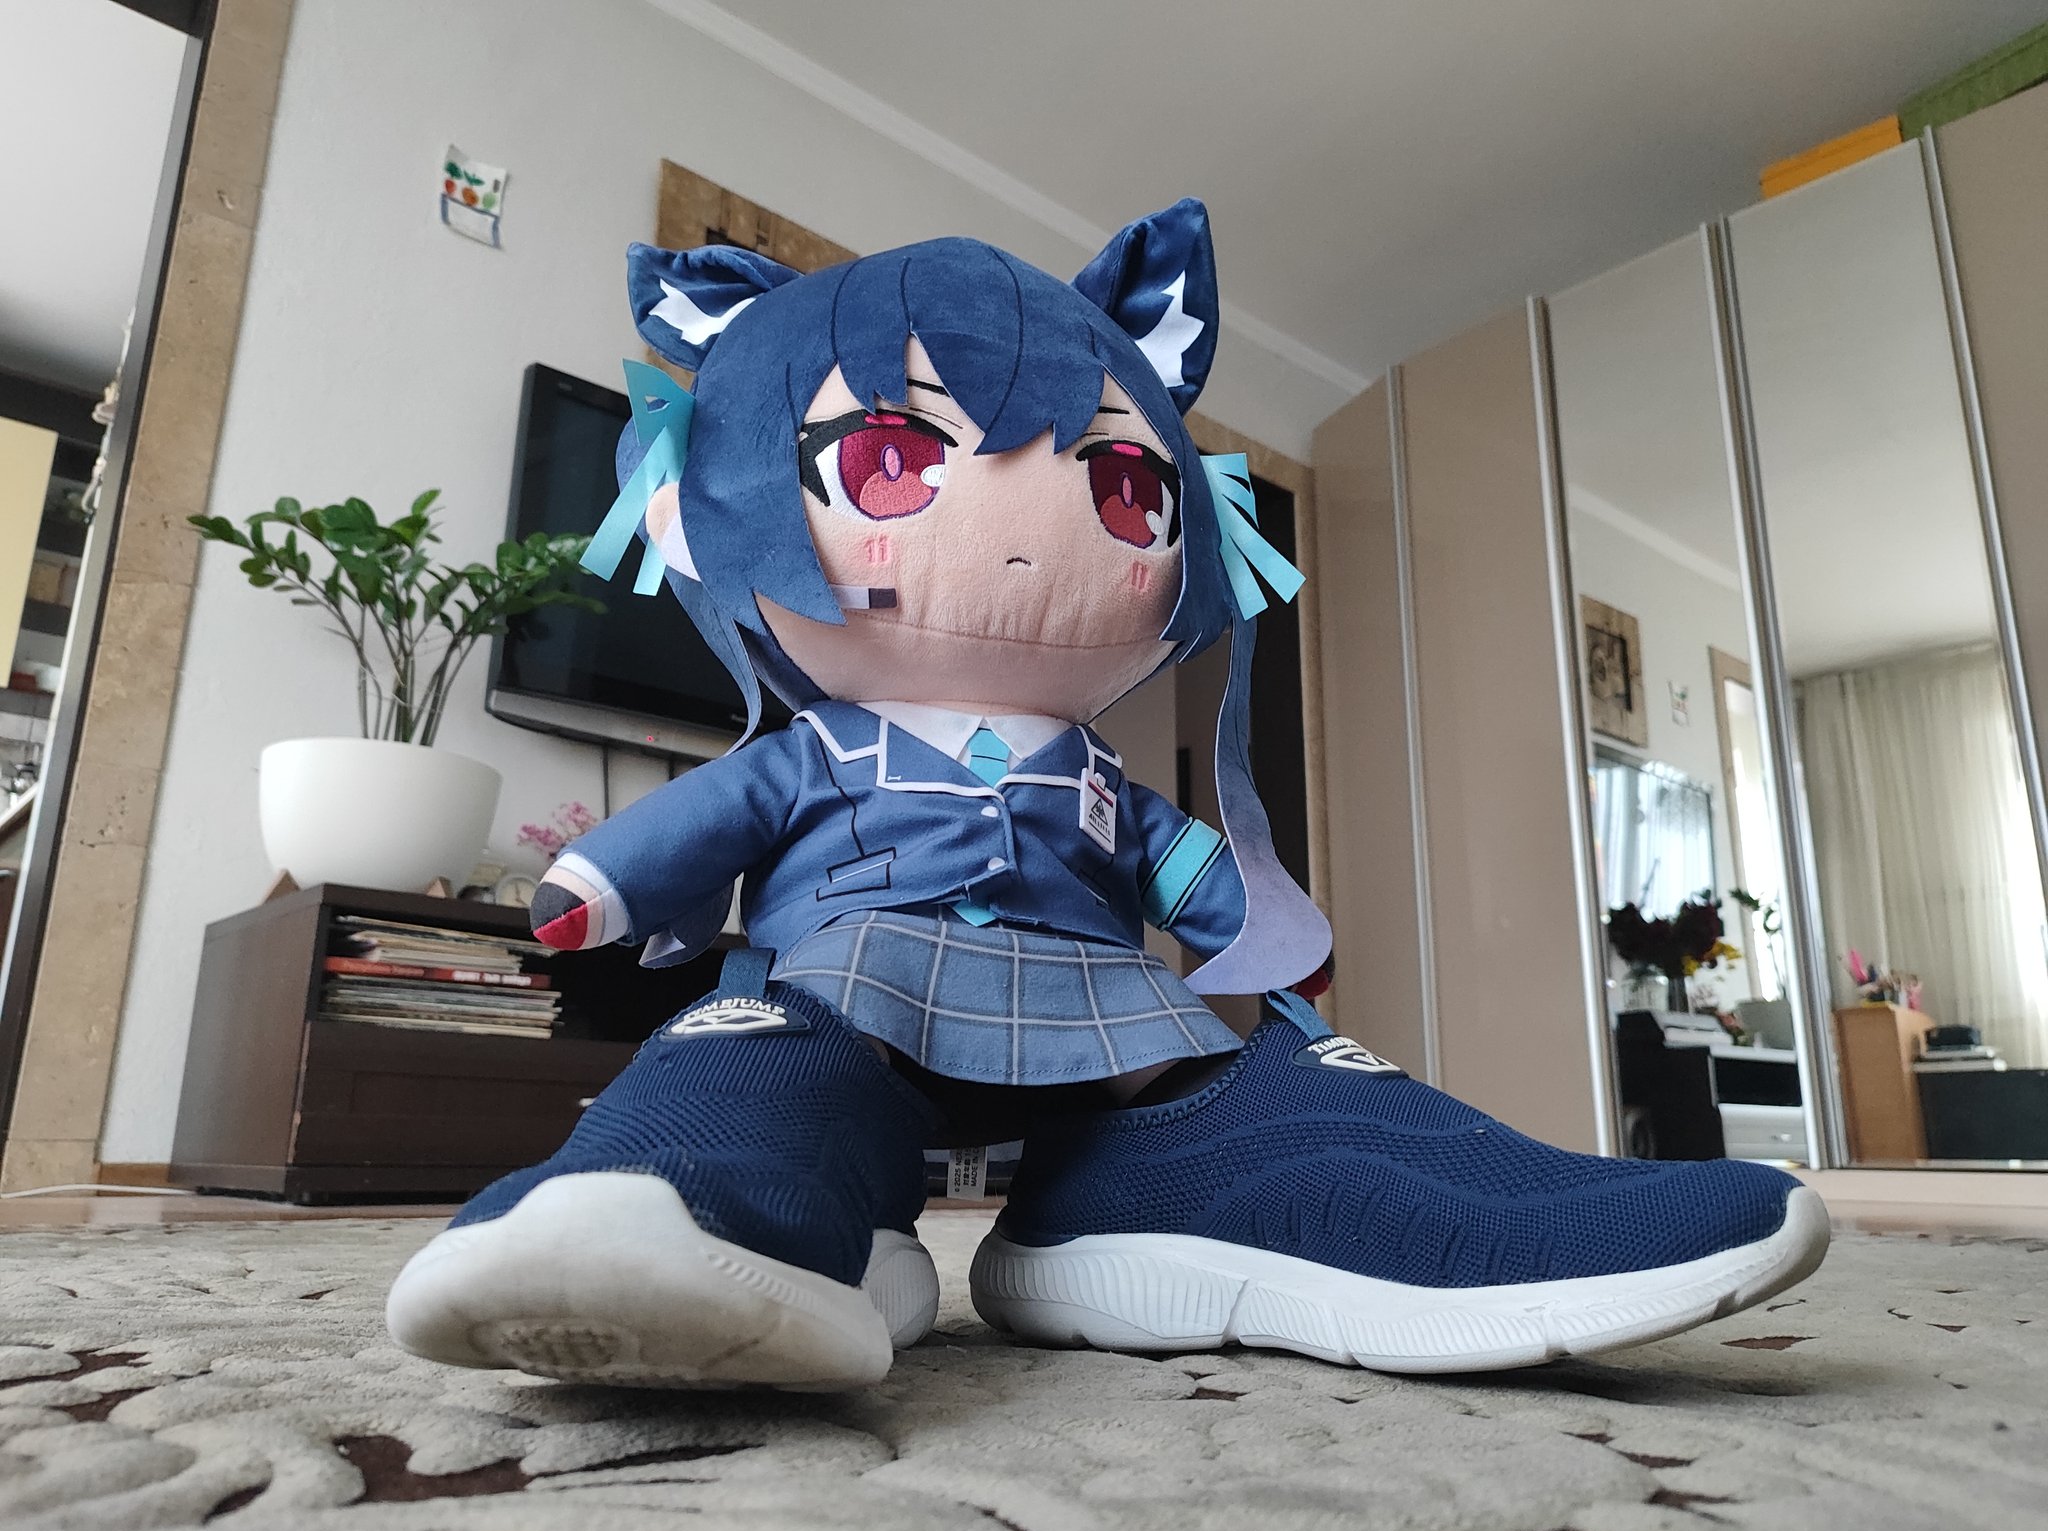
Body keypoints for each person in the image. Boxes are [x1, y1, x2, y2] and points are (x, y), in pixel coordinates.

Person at [386, 201, 1827, 1388]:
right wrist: (596, 887)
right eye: (889, 462)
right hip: (844, 978)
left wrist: (1260, 923)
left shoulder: (1095, 775)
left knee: (1237, 1074)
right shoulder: (813, 752)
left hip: (1091, 996)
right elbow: (702, 824)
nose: (1031, 542)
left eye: (1125, 487)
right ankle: (739, 1208)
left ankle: (1126, 1202)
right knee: (745, 1069)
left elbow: (1170, 861)